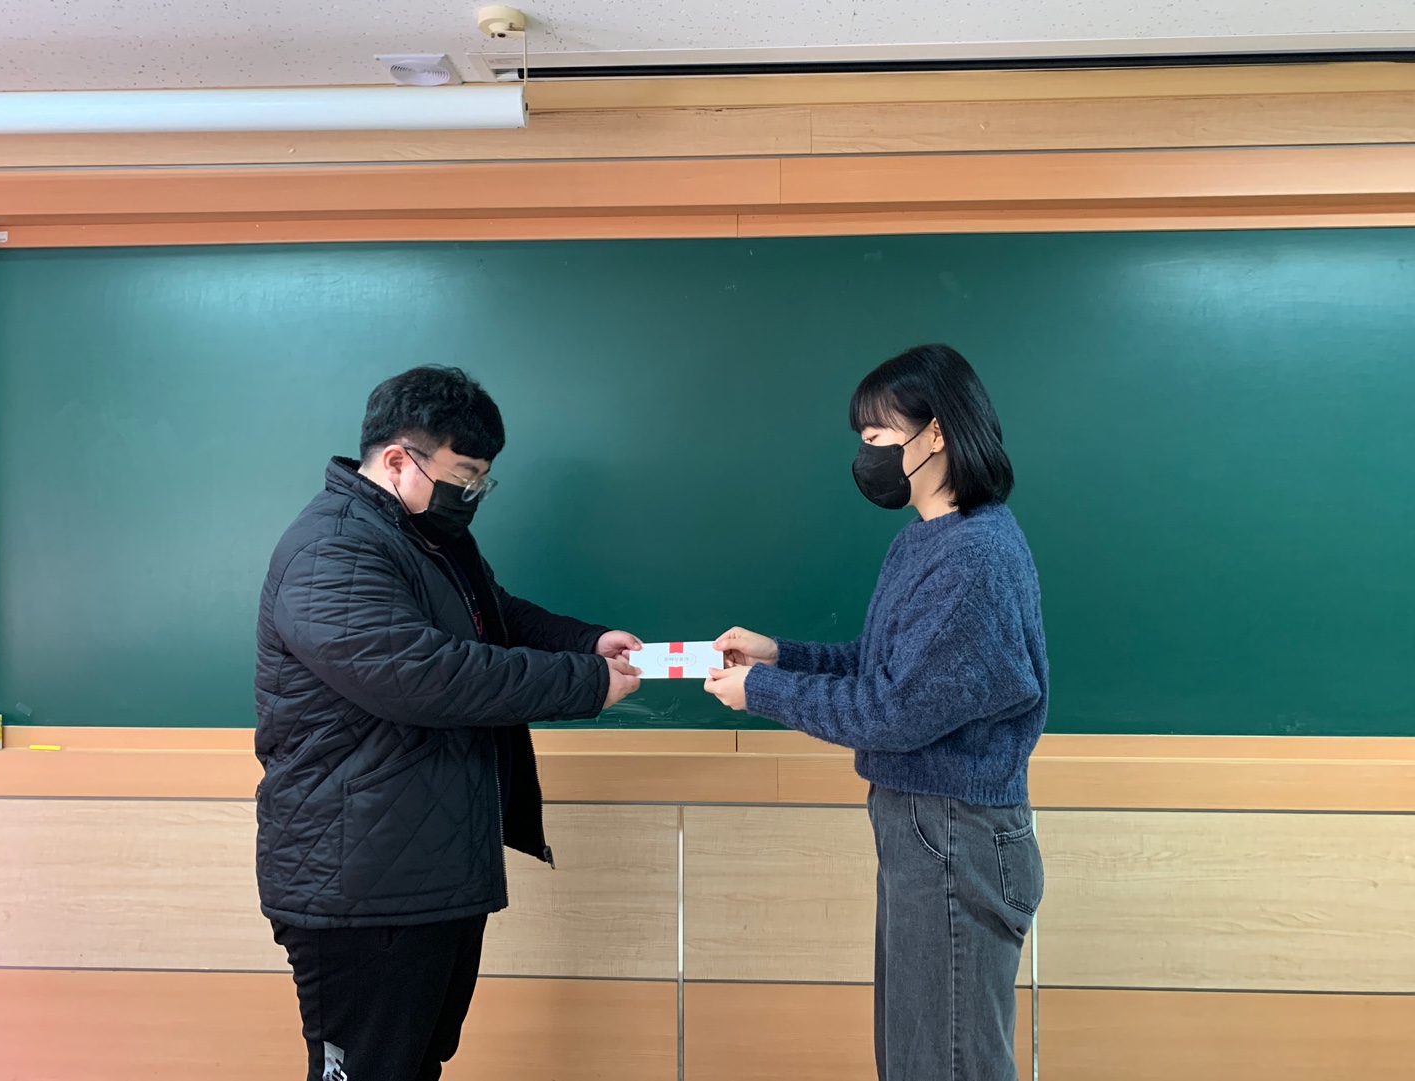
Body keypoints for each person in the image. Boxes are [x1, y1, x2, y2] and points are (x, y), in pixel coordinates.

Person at [254, 365, 642, 1081]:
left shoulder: (424, 536)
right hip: (360, 885)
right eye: (463, 476)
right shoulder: (331, 549)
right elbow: (422, 675)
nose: (471, 495)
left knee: (415, 1064)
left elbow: (494, 615)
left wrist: (586, 642)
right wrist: (584, 682)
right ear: (397, 460)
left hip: (424, 870)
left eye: (483, 480)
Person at [705, 344, 1047, 1081]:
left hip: (954, 829)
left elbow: (896, 710)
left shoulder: (974, 557)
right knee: (918, 1053)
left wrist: (761, 693)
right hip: (923, 823)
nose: (866, 454)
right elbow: (882, 664)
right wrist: (778, 656)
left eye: (877, 435)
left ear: (936, 433)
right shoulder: (927, 540)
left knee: (943, 1061)